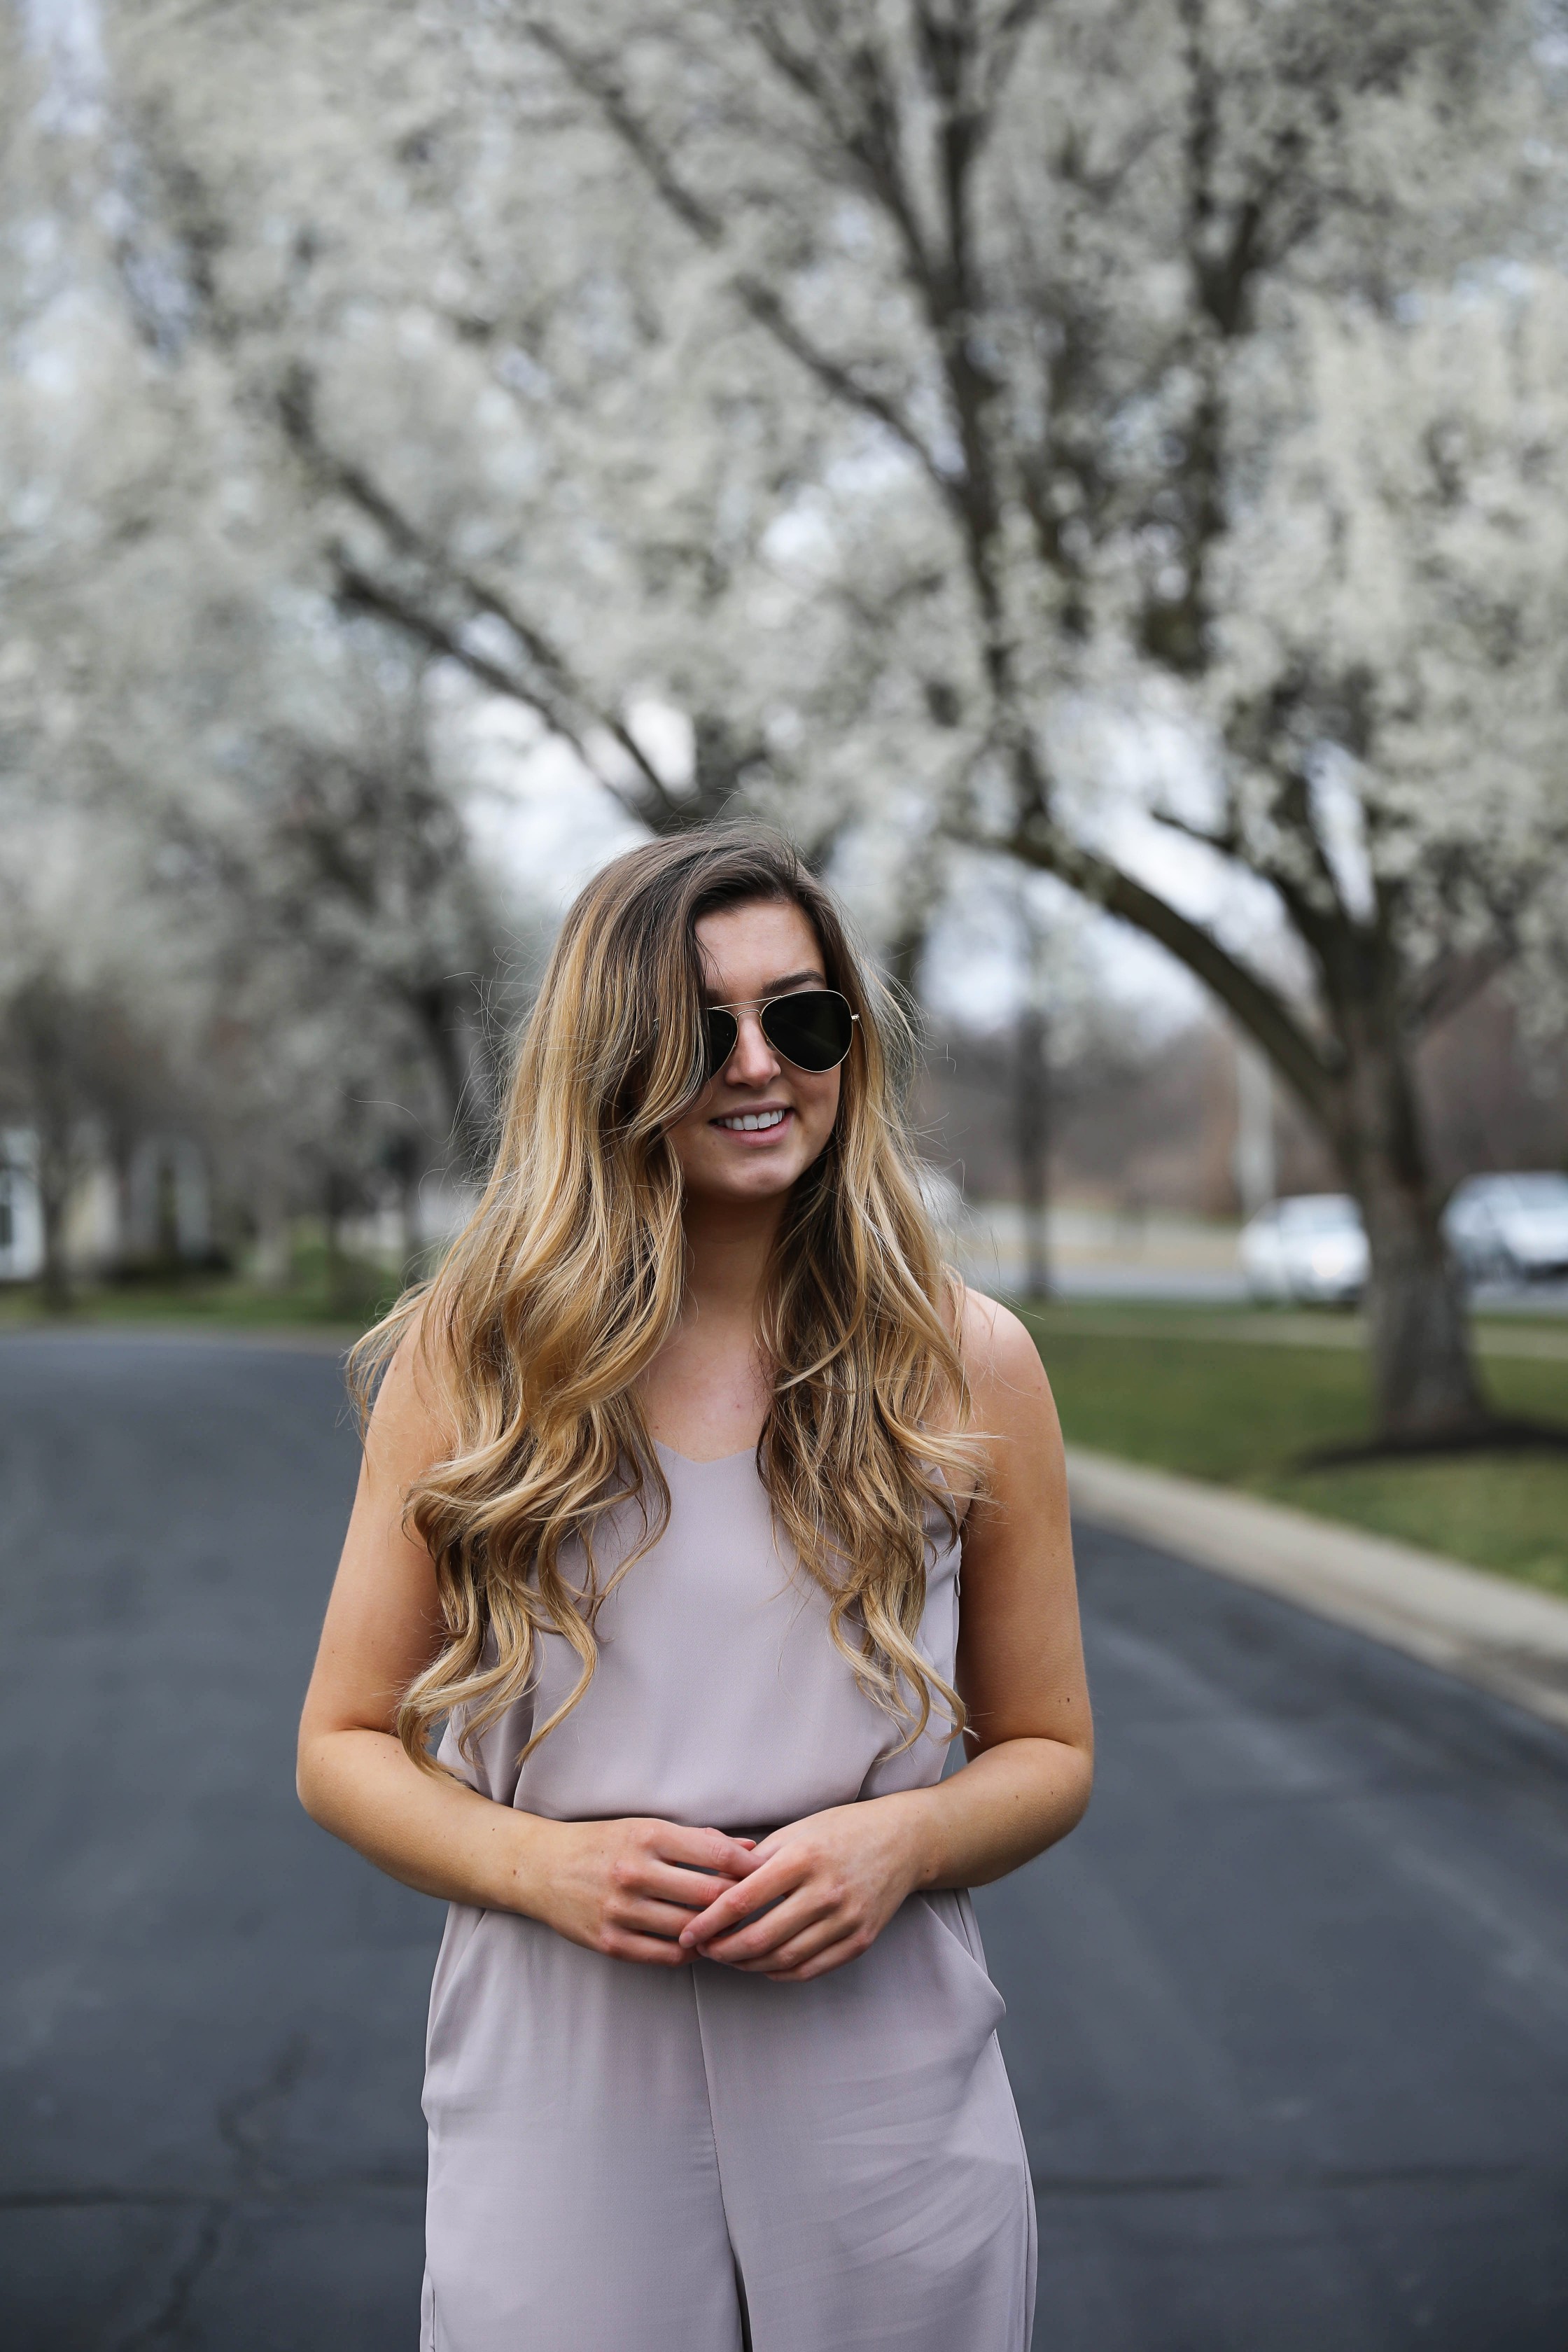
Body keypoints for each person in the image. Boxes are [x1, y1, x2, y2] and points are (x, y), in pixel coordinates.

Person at [297, 828, 1092, 2352]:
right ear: (613, 1060)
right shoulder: (477, 1360)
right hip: (560, 2072)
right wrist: (541, 1869)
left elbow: (1049, 1750)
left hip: (879, 2084)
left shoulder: (967, 1360)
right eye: (697, 1026)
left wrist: (903, 1840)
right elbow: (340, 1745)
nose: (756, 1065)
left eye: (799, 1019)